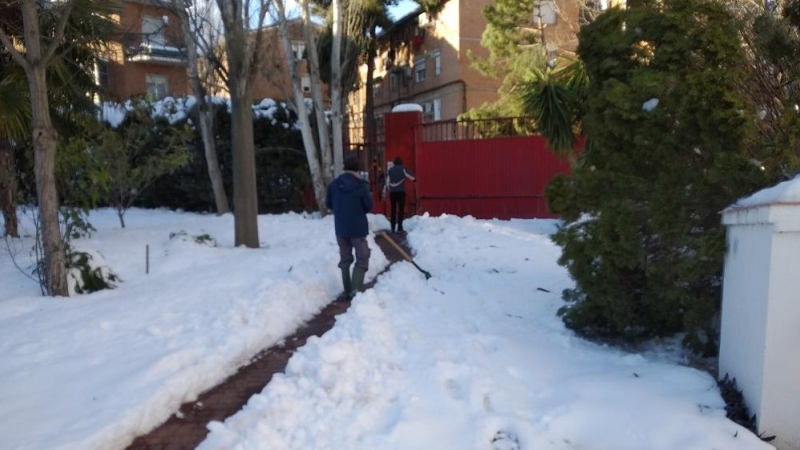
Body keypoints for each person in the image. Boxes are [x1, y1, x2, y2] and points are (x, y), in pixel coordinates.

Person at [325, 155, 373, 298]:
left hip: (341, 228)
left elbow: (328, 204)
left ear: (344, 167)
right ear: (358, 169)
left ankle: (347, 290)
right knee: (362, 257)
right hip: (358, 228)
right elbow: (369, 206)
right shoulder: (361, 185)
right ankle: (355, 290)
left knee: (345, 258)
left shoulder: (333, 185)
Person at [386, 157, 416, 233]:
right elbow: (411, 177)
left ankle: (392, 227)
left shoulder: (391, 170)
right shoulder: (403, 168)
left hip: (392, 192)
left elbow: (387, 182)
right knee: (400, 210)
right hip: (400, 192)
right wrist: (415, 180)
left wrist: (390, 189)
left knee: (393, 210)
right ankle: (399, 226)